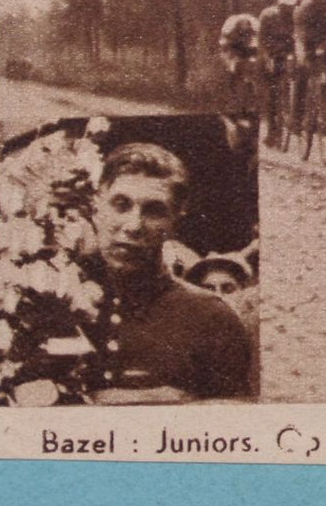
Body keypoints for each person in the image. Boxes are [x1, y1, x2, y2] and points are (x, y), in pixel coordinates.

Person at [84, 142, 252, 403]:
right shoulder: (43, 301)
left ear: (175, 221)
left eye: (154, 211)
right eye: (120, 204)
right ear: (96, 206)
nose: (134, 226)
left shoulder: (212, 318)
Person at [256, 0, 299, 145]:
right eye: (284, 7)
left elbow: (299, 37)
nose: (287, 10)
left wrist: (296, 56)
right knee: (271, 92)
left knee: (296, 79)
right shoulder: (267, 15)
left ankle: (295, 118)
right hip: (270, 54)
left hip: (288, 53)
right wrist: (267, 57)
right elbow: (260, 39)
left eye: (290, 7)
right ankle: (272, 130)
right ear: (278, 4)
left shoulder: (295, 16)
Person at [217, 11, 259, 100]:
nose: (244, 35)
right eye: (241, 32)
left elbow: (256, 48)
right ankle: (234, 98)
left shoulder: (254, 30)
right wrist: (233, 62)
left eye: (246, 32)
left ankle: (253, 97)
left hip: (248, 54)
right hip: (233, 53)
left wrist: (252, 59)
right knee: (234, 70)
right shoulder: (229, 33)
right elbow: (227, 50)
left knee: (253, 66)